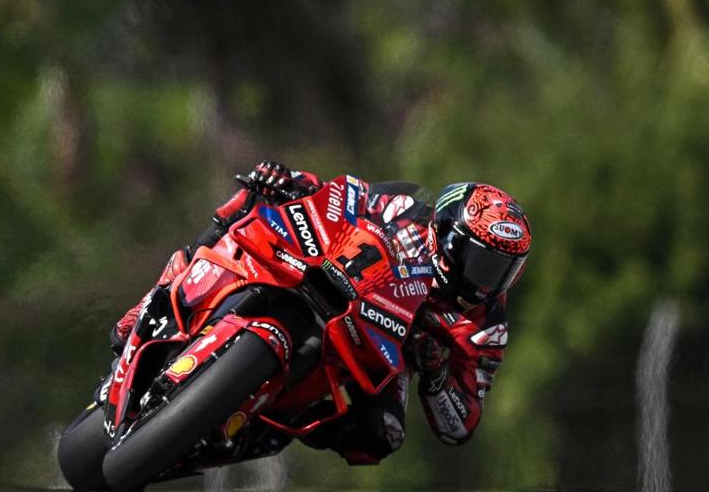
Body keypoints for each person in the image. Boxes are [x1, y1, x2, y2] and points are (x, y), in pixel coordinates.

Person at [111, 160, 531, 465]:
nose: (487, 281)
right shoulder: (404, 208)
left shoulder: (485, 323)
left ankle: (266, 424)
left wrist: (436, 371)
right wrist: (295, 182)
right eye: (482, 261)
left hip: (385, 350)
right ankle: (156, 297)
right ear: (447, 234)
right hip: (334, 281)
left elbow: (460, 424)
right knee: (253, 198)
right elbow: (343, 199)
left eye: (502, 270)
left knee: (381, 435)